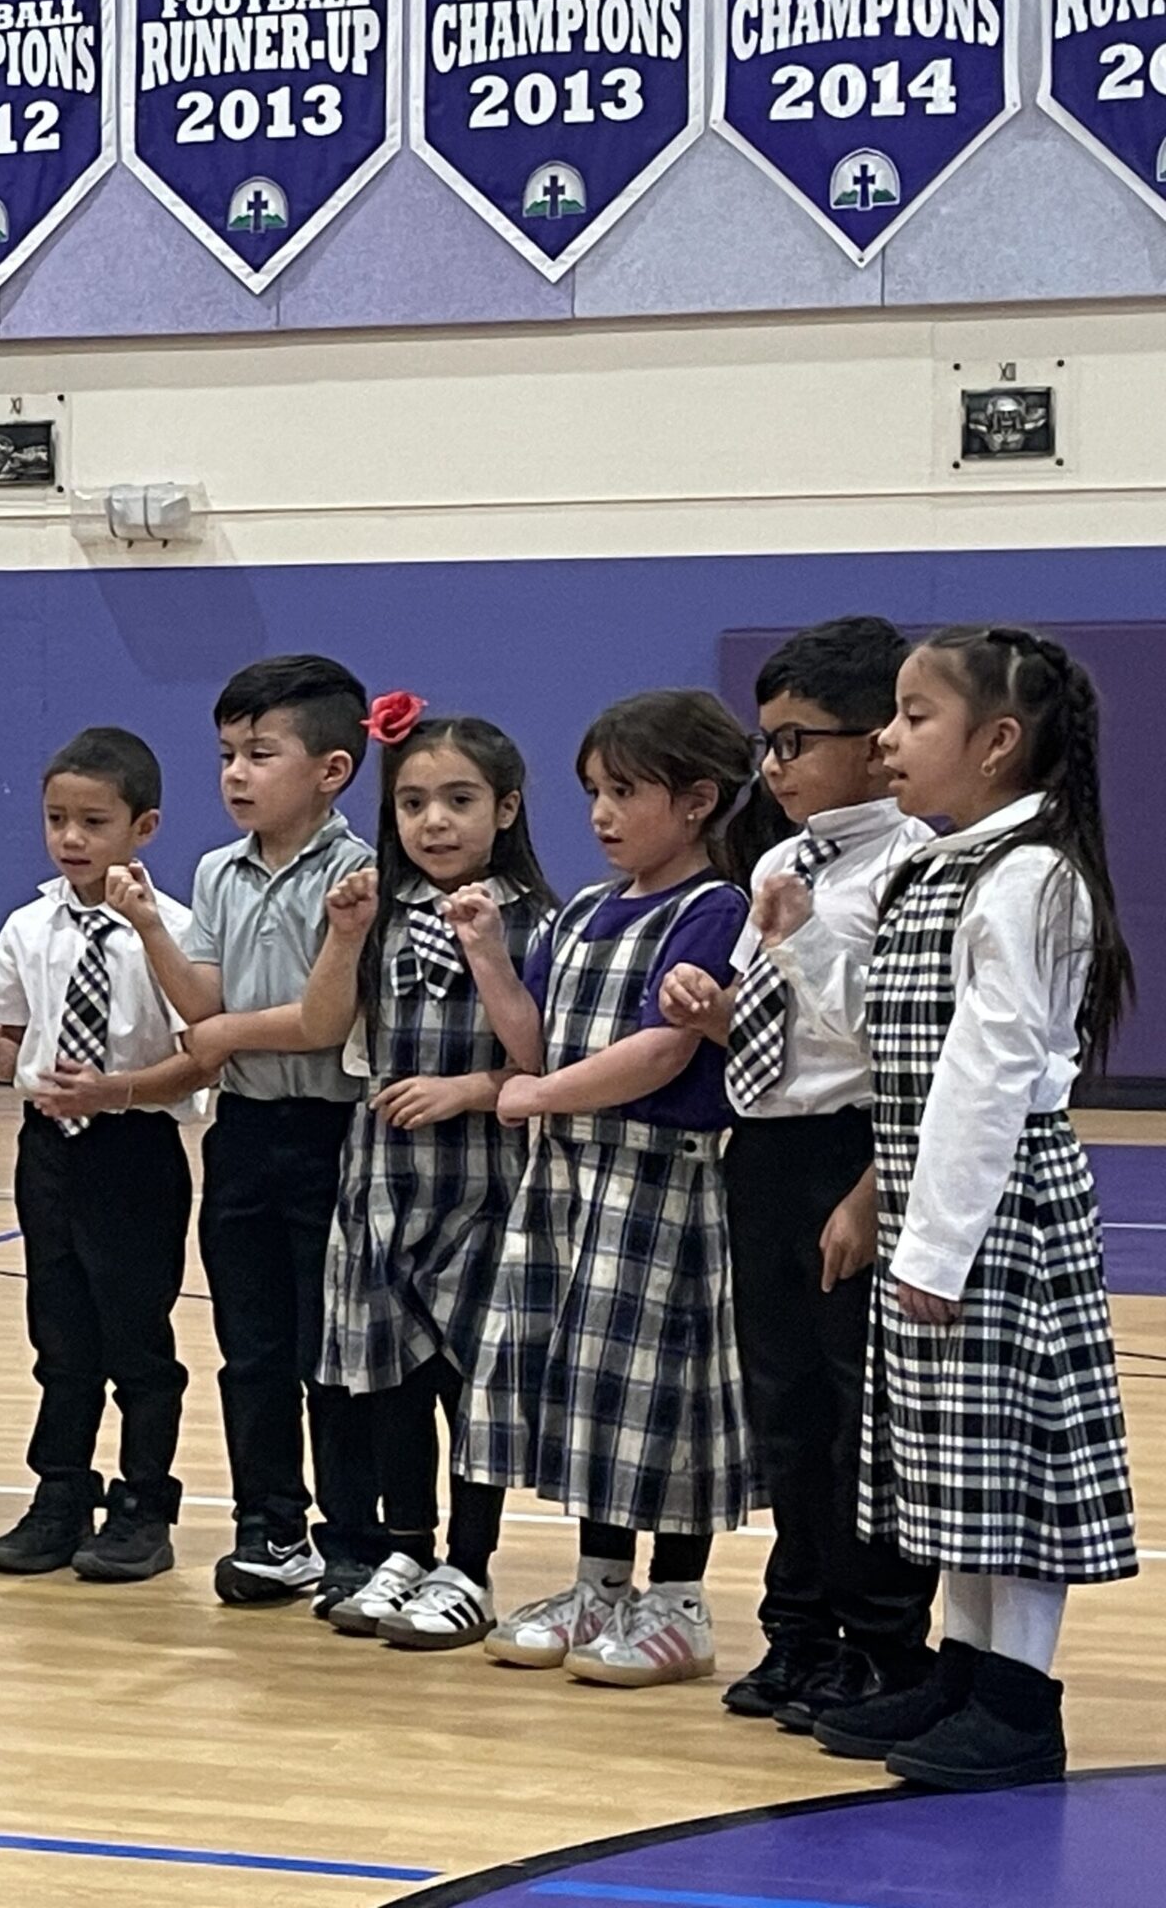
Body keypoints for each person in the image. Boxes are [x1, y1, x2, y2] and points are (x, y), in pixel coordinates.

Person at [802, 627, 1137, 1791]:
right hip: (935, 1201)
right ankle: (966, 1669)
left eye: (913, 717)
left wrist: (936, 1243)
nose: (886, 739)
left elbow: (988, 1078)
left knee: (1006, 1470)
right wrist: (795, 943)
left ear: (996, 744)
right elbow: (873, 1038)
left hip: (995, 1210)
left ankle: (1019, 1702)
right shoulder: (931, 866)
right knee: (948, 1465)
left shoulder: (1030, 875)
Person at [457, 689, 773, 1687]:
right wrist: (491, 960)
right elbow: (539, 1039)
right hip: (572, 1183)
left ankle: (678, 1599)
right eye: (593, 790)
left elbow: (661, 1052)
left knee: (662, 1394)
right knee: (594, 1389)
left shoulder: (712, 907)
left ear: (696, 801)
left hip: (659, 1188)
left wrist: (540, 1094)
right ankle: (601, 1582)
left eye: (625, 791)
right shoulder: (587, 909)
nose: (600, 813)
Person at [659, 619, 938, 1731]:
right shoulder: (780, 859)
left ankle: (883, 1643)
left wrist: (796, 945)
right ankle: (800, 1628)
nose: (771, 768)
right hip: (766, 1147)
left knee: (857, 1413)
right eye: (766, 744)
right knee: (783, 1406)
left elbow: (886, 1039)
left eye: (795, 742)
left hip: (857, 1147)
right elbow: (776, 1030)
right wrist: (714, 1012)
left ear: (877, 744)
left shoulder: (911, 860)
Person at [118, 655, 380, 1609]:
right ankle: (271, 1523)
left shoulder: (359, 872)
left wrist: (222, 1033)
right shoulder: (215, 870)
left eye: (260, 753)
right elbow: (202, 1000)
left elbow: (322, 1020)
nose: (234, 773)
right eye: (227, 753)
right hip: (243, 1131)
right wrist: (150, 927)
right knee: (253, 1345)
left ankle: (353, 1534)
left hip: (331, 1133)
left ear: (331, 770)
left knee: (331, 1350)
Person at [291, 702, 553, 1650]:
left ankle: (469, 1563)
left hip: (487, 1182)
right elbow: (322, 1028)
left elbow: (539, 1058)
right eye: (412, 803)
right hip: (382, 1180)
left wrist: (468, 1089)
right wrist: (342, 936)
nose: (434, 821)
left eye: (458, 800)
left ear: (508, 809)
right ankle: (406, 1545)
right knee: (389, 1375)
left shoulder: (535, 921)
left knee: (468, 1378)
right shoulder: (380, 912)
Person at [0, 728, 208, 1583]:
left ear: (143, 827)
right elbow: (7, 1039)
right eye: (56, 819)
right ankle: (60, 1491)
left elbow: (200, 1052)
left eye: (93, 822)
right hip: (49, 1149)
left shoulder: (173, 929)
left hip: (134, 1144)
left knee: (136, 1337)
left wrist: (119, 1089)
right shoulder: (29, 926)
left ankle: (145, 1501)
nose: (71, 838)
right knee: (59, 1334)